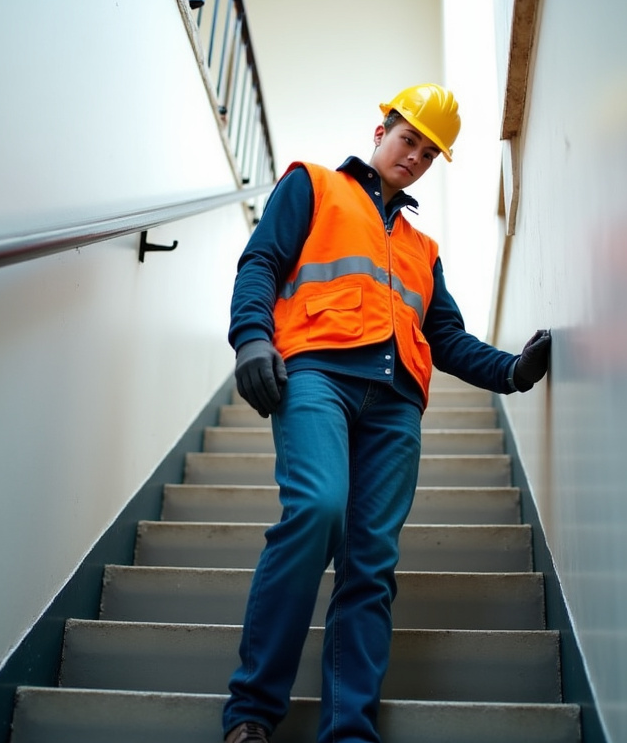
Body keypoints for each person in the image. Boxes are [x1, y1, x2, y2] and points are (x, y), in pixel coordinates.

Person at [222, 82, 551, 743]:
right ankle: (253, 712)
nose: (415, 156)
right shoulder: (313, 185)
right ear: (381, 132)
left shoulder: (423, 249)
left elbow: (448, 337)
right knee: (317, 509)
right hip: (318, 373)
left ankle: (349, 732)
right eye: (410, 140)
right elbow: (260, 261)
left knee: (370, 562)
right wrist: (252, 336)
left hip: (396, 403)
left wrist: (511, 372)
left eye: (430, 153)